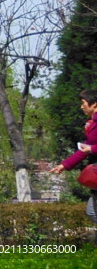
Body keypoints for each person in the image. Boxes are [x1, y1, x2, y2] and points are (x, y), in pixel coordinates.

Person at [49, 89, 97, 224]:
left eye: (83, 103)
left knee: (92, 211)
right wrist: (63, 165)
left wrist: (92, 149)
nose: (81, 107)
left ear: (94, 103)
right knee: (92, 211)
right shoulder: (92, 123)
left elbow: (89, 148)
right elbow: (84, 149)